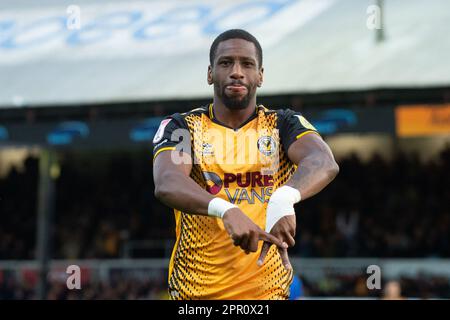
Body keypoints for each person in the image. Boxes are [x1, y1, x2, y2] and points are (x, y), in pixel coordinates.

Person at [152, 29, 339, 299]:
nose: (237, 72)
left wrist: (284, 197)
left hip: (268, 292)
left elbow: (323, 161)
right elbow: (168, 182)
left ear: (260, 75)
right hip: (196, 295)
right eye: (226, 63)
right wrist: (226, 210)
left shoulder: (282, 124)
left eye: (247, 64)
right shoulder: (183, 127)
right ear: (209, 73)